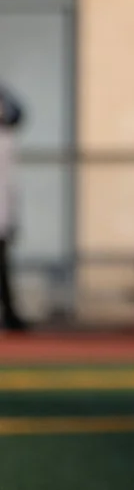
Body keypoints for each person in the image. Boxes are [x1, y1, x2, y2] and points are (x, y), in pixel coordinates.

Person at [0, 82, 23, 330]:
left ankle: (11, 314)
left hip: (2, 216)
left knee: (4, 269)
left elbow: (18, 112)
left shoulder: (5, 140)